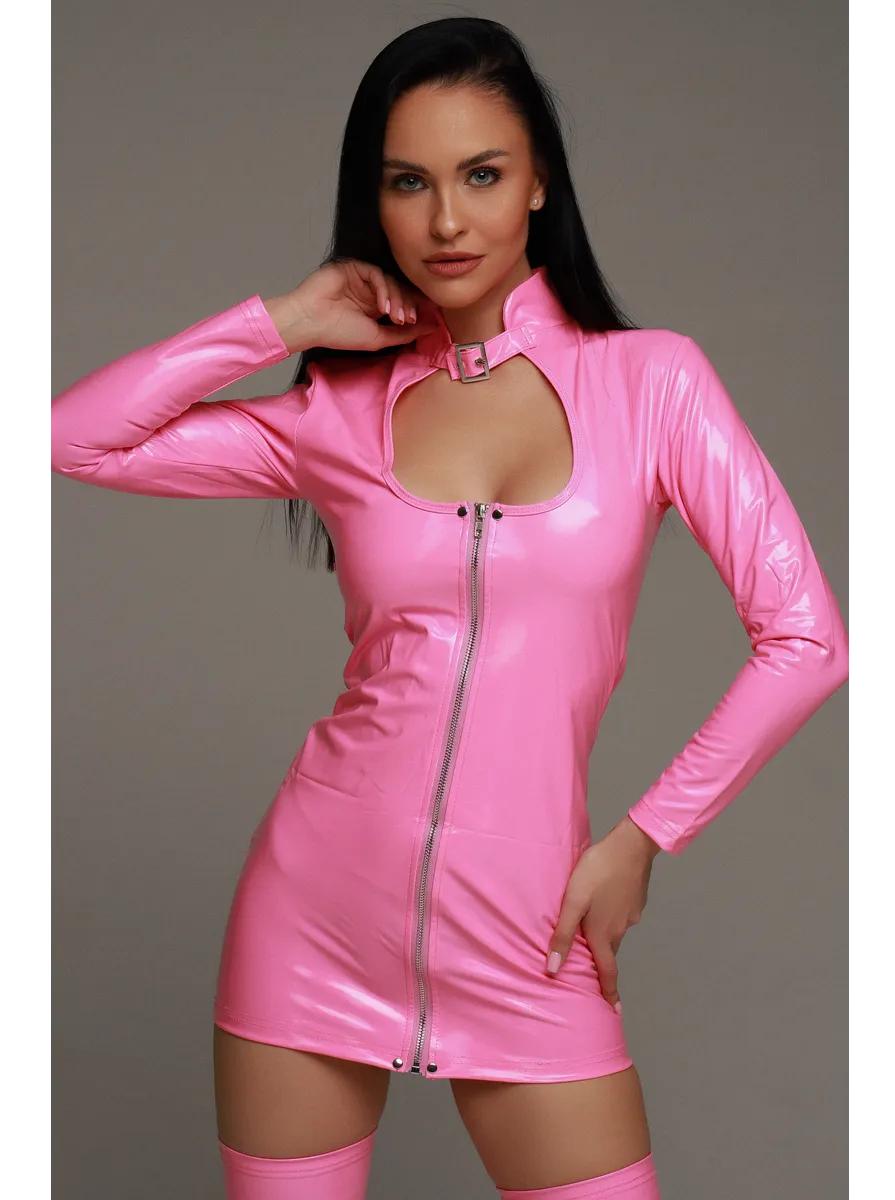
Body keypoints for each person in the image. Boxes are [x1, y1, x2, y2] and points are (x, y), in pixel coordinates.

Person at [51, 16, 849, 1200]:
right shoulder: (337, 412)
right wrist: (281, 321)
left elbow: (808, 639)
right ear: (374, 202)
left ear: (539, 184)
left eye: (481, 175)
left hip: (529, 931)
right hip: (312, 921)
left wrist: (643, 838)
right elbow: (71, 439)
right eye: (408, 183)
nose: (445, 222)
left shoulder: (652, 383)